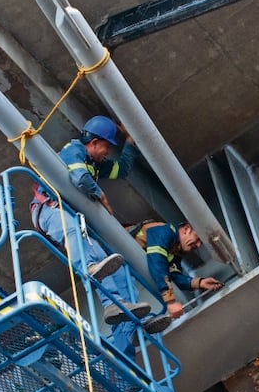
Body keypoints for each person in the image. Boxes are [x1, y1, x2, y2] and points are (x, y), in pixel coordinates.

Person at [30, 115, 171, 353]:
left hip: (74, 218)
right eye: (106, 147)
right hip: (50, 210)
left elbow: (121, 169)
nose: (107, 153)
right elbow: (79, 178)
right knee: (78, 237)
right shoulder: (73, 150)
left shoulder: (95, 164)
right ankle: (94, 275)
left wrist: (130, 142)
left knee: (116, 266)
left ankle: (130, 324)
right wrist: (100, 195)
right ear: (94, 142)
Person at [134, 221, 224, 319]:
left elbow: (174, 276)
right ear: (186, 229)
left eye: (201, 243)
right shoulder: (166, 231)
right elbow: (157, 260)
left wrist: (200, 283)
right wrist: (170, 301)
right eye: (197, 238)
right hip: (122, 267)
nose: (198, 245)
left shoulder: (174, 252)